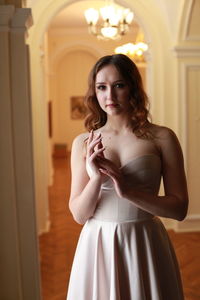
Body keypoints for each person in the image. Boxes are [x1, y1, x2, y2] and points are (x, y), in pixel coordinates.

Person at [66, 54, 189, 300]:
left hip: (144, 240)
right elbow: (79, 215)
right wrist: (96, 179)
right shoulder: (83, 143)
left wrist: (128, 191)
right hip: (98, 242)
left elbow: (179, 208)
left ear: (133, 87)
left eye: (119, 85)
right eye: (102, 87)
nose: (109, 96)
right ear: (94, 92)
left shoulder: (163, 137)